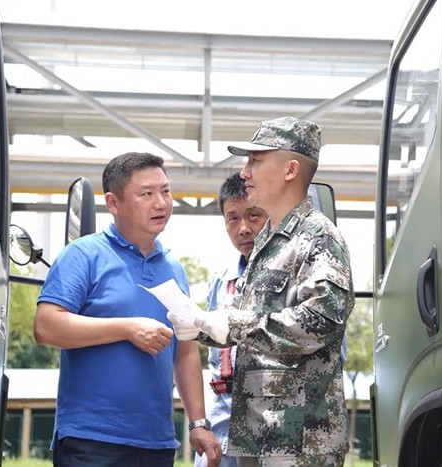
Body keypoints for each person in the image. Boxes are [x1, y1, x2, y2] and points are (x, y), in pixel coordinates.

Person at [169, 117, 355, 467]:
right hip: (256, 437)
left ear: (290, 170)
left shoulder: (319, 237)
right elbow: (246, 323)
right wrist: (201, 326)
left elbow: (321, 319)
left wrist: (232, 325)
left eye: (255, 161)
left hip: (301, 441)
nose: (245, 173)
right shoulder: (267, 243)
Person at [34, 152, 221, 467]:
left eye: (165, 191)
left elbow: (185, 350)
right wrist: (127, 328)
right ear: (113, 203)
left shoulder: (174, 268)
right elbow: (46, 326)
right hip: (91, 442)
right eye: (147, 194)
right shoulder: (82, 255)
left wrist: (198, 422)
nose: (161, 203)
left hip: (157, 444)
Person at [194, 173, 268, 467]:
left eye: (253, 215)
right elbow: (215, 360)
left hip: (273, 433)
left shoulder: (294, 275)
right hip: (223, 427)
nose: (244, 229)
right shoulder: (221, 282)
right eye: (232, 218)